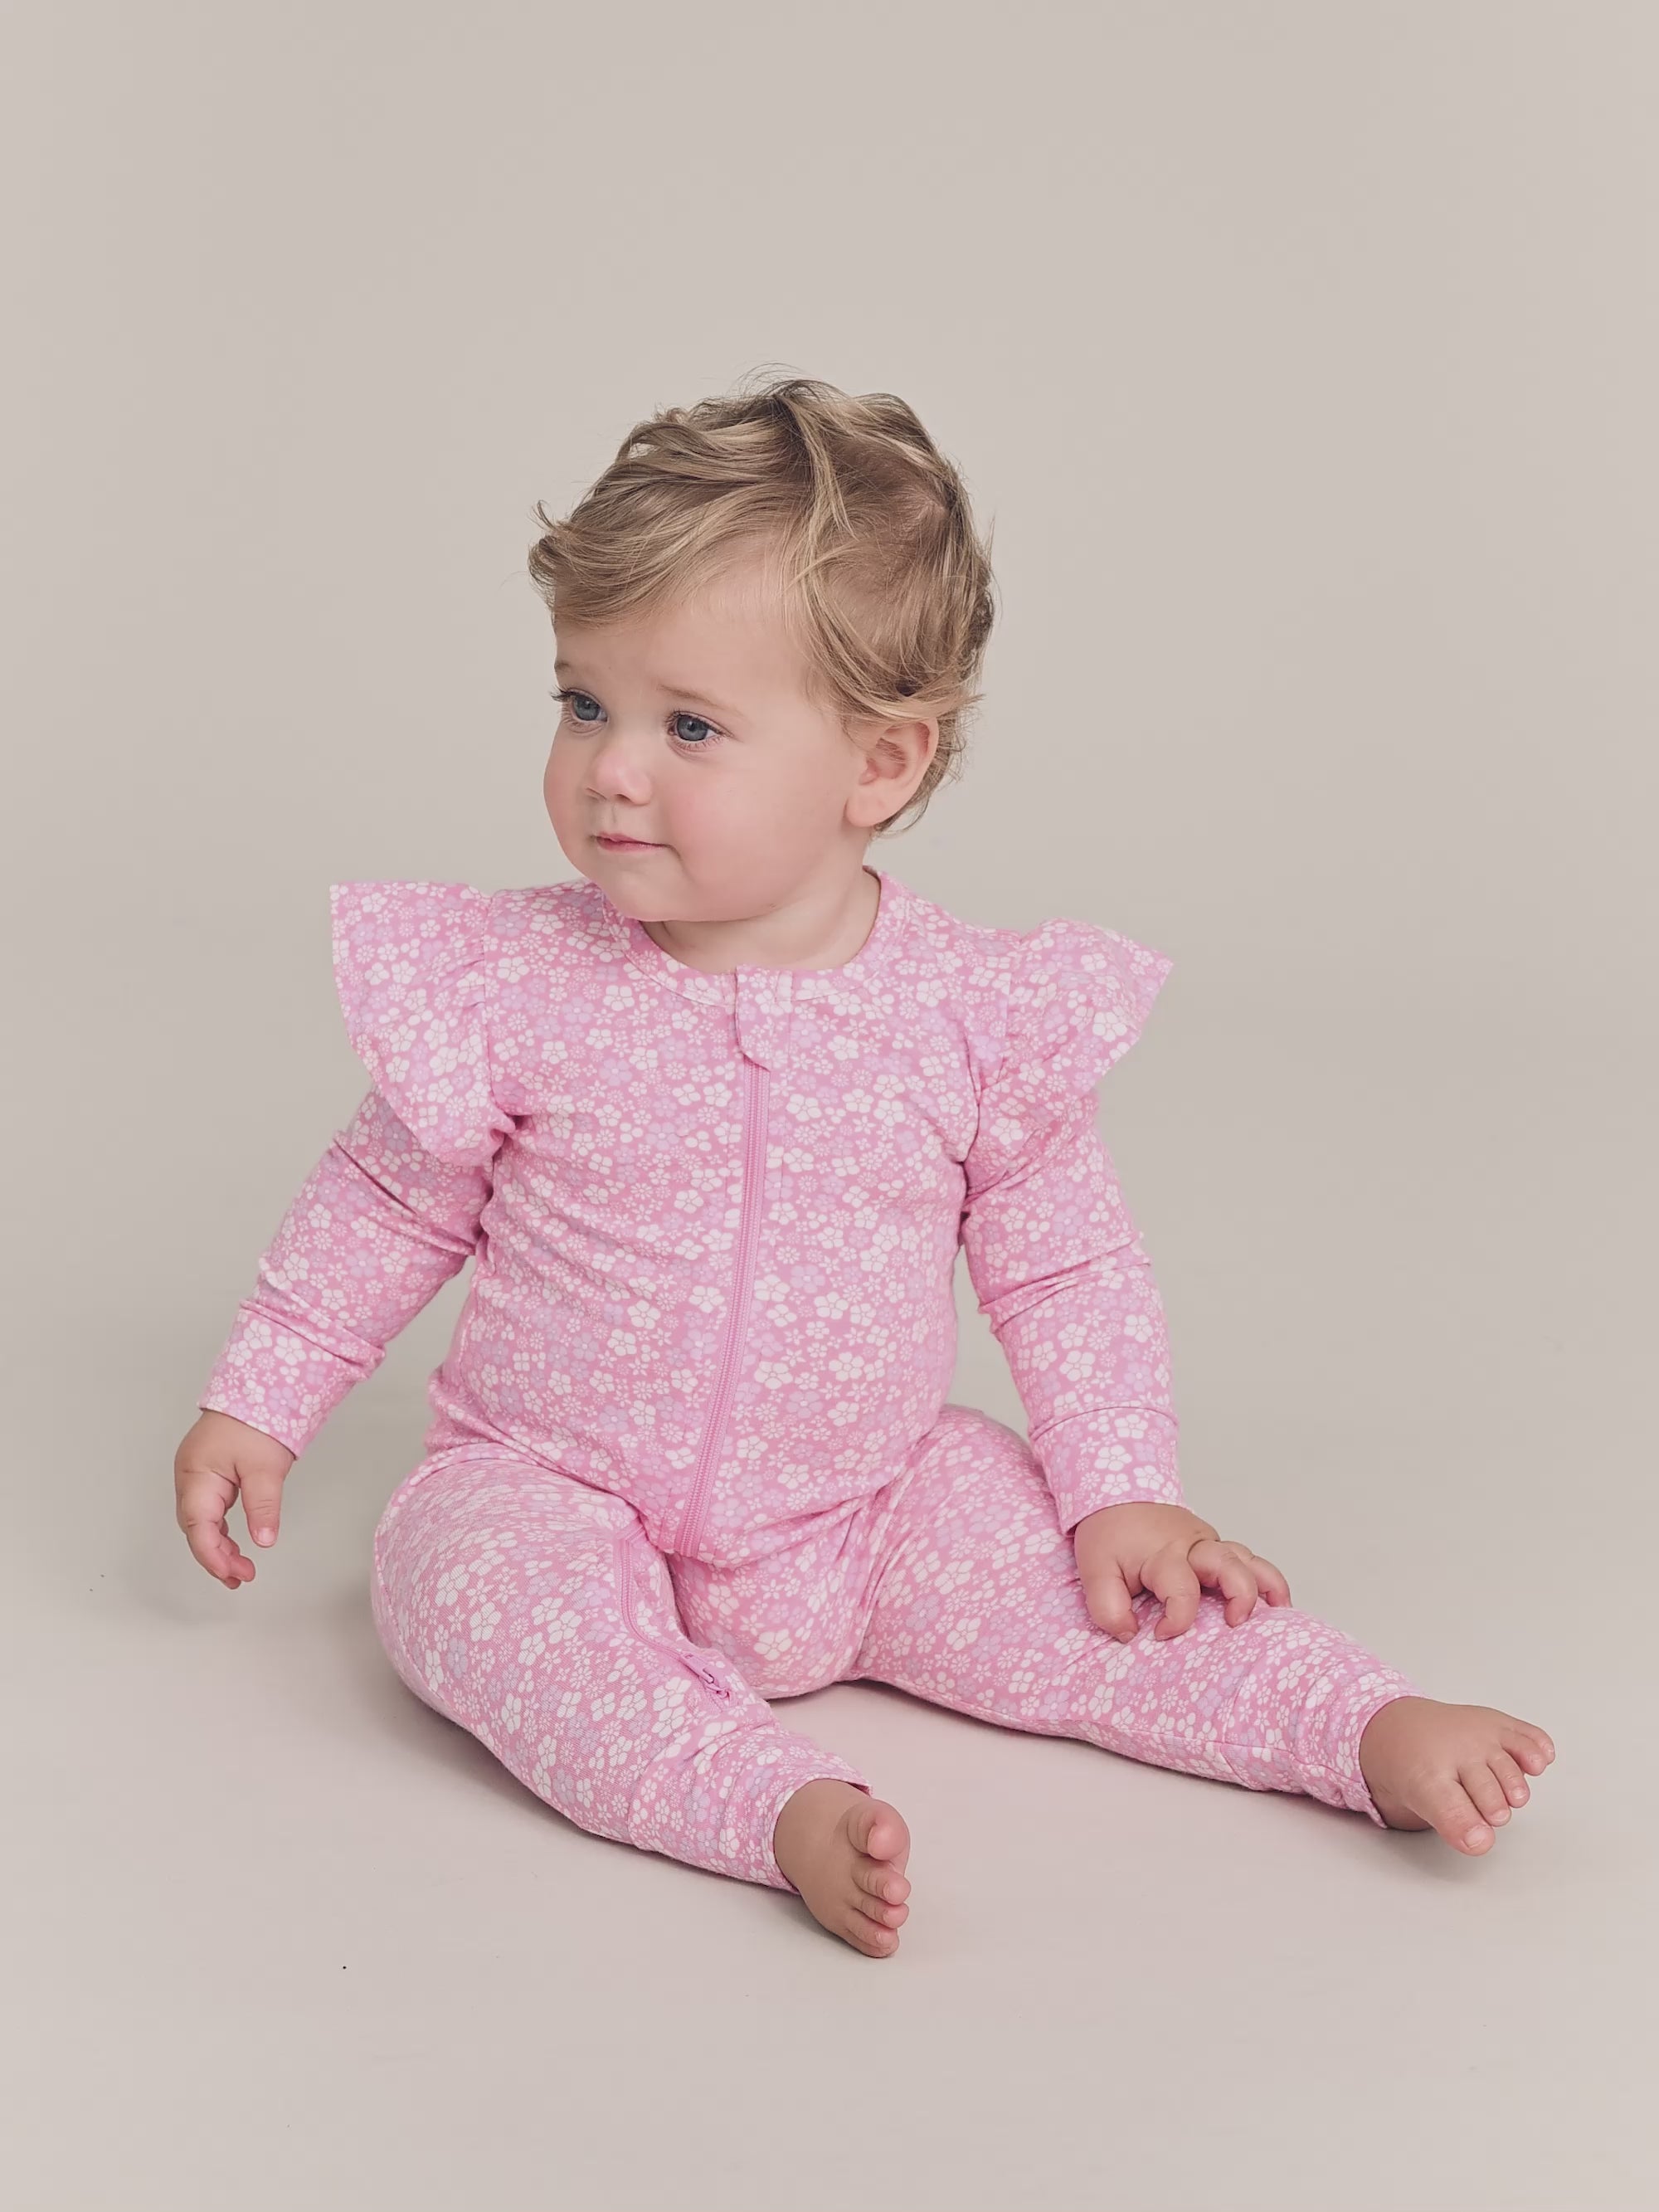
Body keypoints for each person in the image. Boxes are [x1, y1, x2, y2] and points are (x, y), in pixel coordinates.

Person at [174, 374, 1554, 1959]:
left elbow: (1066, 1267)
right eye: (583, 703)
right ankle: (766, 1804)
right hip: (550, 1484)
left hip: (871, 1506)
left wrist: (1126, 1489)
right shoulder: (513, 986)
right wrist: (259, 1399)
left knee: (1106, 1593)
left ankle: (1355, 1728)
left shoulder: (968, 1015)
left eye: (690, 726)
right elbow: (382, 1202)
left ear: (880, 765)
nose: (612, 768)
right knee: (465, 1595)